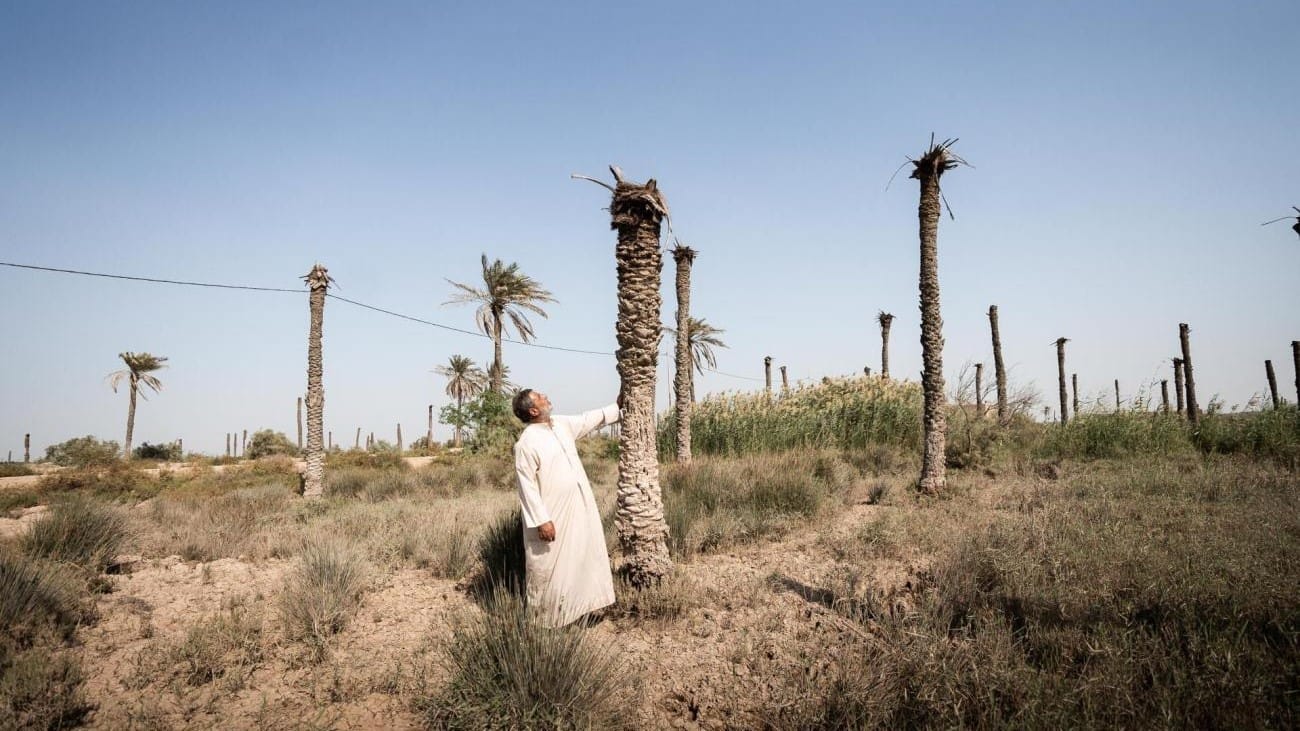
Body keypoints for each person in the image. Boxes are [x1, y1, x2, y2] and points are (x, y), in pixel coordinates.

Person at [511, 388, 621, 627]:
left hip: (579, 509)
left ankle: (580, 611)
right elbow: (526, 486)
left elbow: (587, 420)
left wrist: (618, 402)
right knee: (551, 567)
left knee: (582, 557)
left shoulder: (560, 425)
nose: (546, 397)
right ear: (533, 410)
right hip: (552, 515)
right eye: (540, 397)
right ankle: (547, 621)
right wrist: (542, 520)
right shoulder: (526, 444)